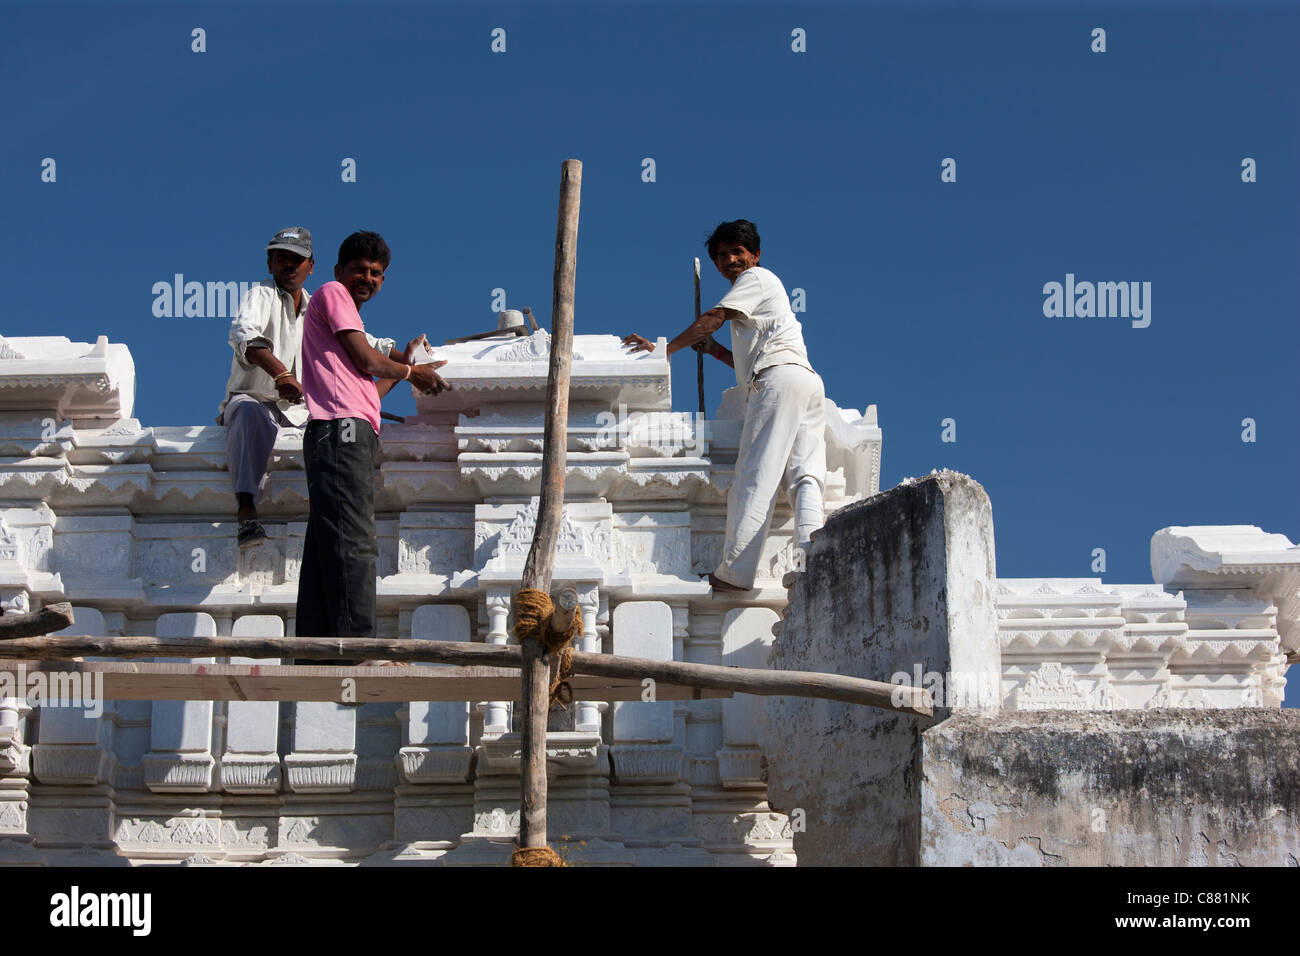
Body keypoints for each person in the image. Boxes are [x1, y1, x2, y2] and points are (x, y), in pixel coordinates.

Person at [623, 220, 826, 592]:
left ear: (755, 255)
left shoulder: (756, 279)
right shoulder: (760, 295)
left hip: (778, 380)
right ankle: (817, 555)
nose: (731, 260)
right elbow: (747, 360)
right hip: (805, 381)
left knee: (755, 472)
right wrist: (714, 351)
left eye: (738, 252)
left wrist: (663, 351)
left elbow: (712, 319)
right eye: (722, 255)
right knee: (803, 474)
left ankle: (735, 574)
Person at [294, 230, 449, 647]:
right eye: (359, 269)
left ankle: (315, 652)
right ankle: (358, 649)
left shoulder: (347, 321)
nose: (367, 278)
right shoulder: (332, 294)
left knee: (328, 542)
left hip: (345, 430)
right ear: (338, 271)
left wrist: (404, 365)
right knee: (354, 540)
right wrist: (410, 371)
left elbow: (368, 391)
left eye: (376, 273)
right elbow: (366, 359)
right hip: (341, 432)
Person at [218, 226, 411, 549]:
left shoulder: (318, 305)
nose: (289, 266)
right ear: (270, 264)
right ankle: (247, 510)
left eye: (297, 260)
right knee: (248, 413)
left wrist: (411, 360)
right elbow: (245, 337)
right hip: (257, 400)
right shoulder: (261, 295)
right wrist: (281, 374)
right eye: (282, 259)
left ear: (311, 267)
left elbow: (369, 342)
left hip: (302, 413)